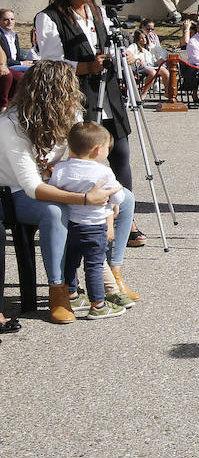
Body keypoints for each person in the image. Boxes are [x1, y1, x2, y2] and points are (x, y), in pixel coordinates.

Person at [0, 61, 134, 324]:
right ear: (52, 92)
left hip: (58, 181)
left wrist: (105, 191)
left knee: (125, 198)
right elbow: (32, 186)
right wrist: (87, 198)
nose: (75, 94)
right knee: (54, 211)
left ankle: (113, 279)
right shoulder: (10, 124)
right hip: (15, 193)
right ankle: (60, 291)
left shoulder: (69, 113)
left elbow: (81, 158)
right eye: (68, 89)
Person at [36, 0, 147, 247]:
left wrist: (124, 55)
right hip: (78, 95)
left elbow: (110, 45)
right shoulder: (50, 17)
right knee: (85, 158)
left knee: (120, 153)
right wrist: (85, 67)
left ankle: (125, 217)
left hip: (108, 91)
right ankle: (84, 218)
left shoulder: (97, 11)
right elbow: (49, 63)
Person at [50, 121, 130, 319]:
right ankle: (98, 304)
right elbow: (118, 198)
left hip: (70, 225)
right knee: (93, 265)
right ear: (97, 150)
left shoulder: (61, 169)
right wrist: (116, 196)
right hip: (95, 227)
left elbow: (53, 189)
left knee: (70, 262)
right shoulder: (103, 171)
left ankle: (72, 295)